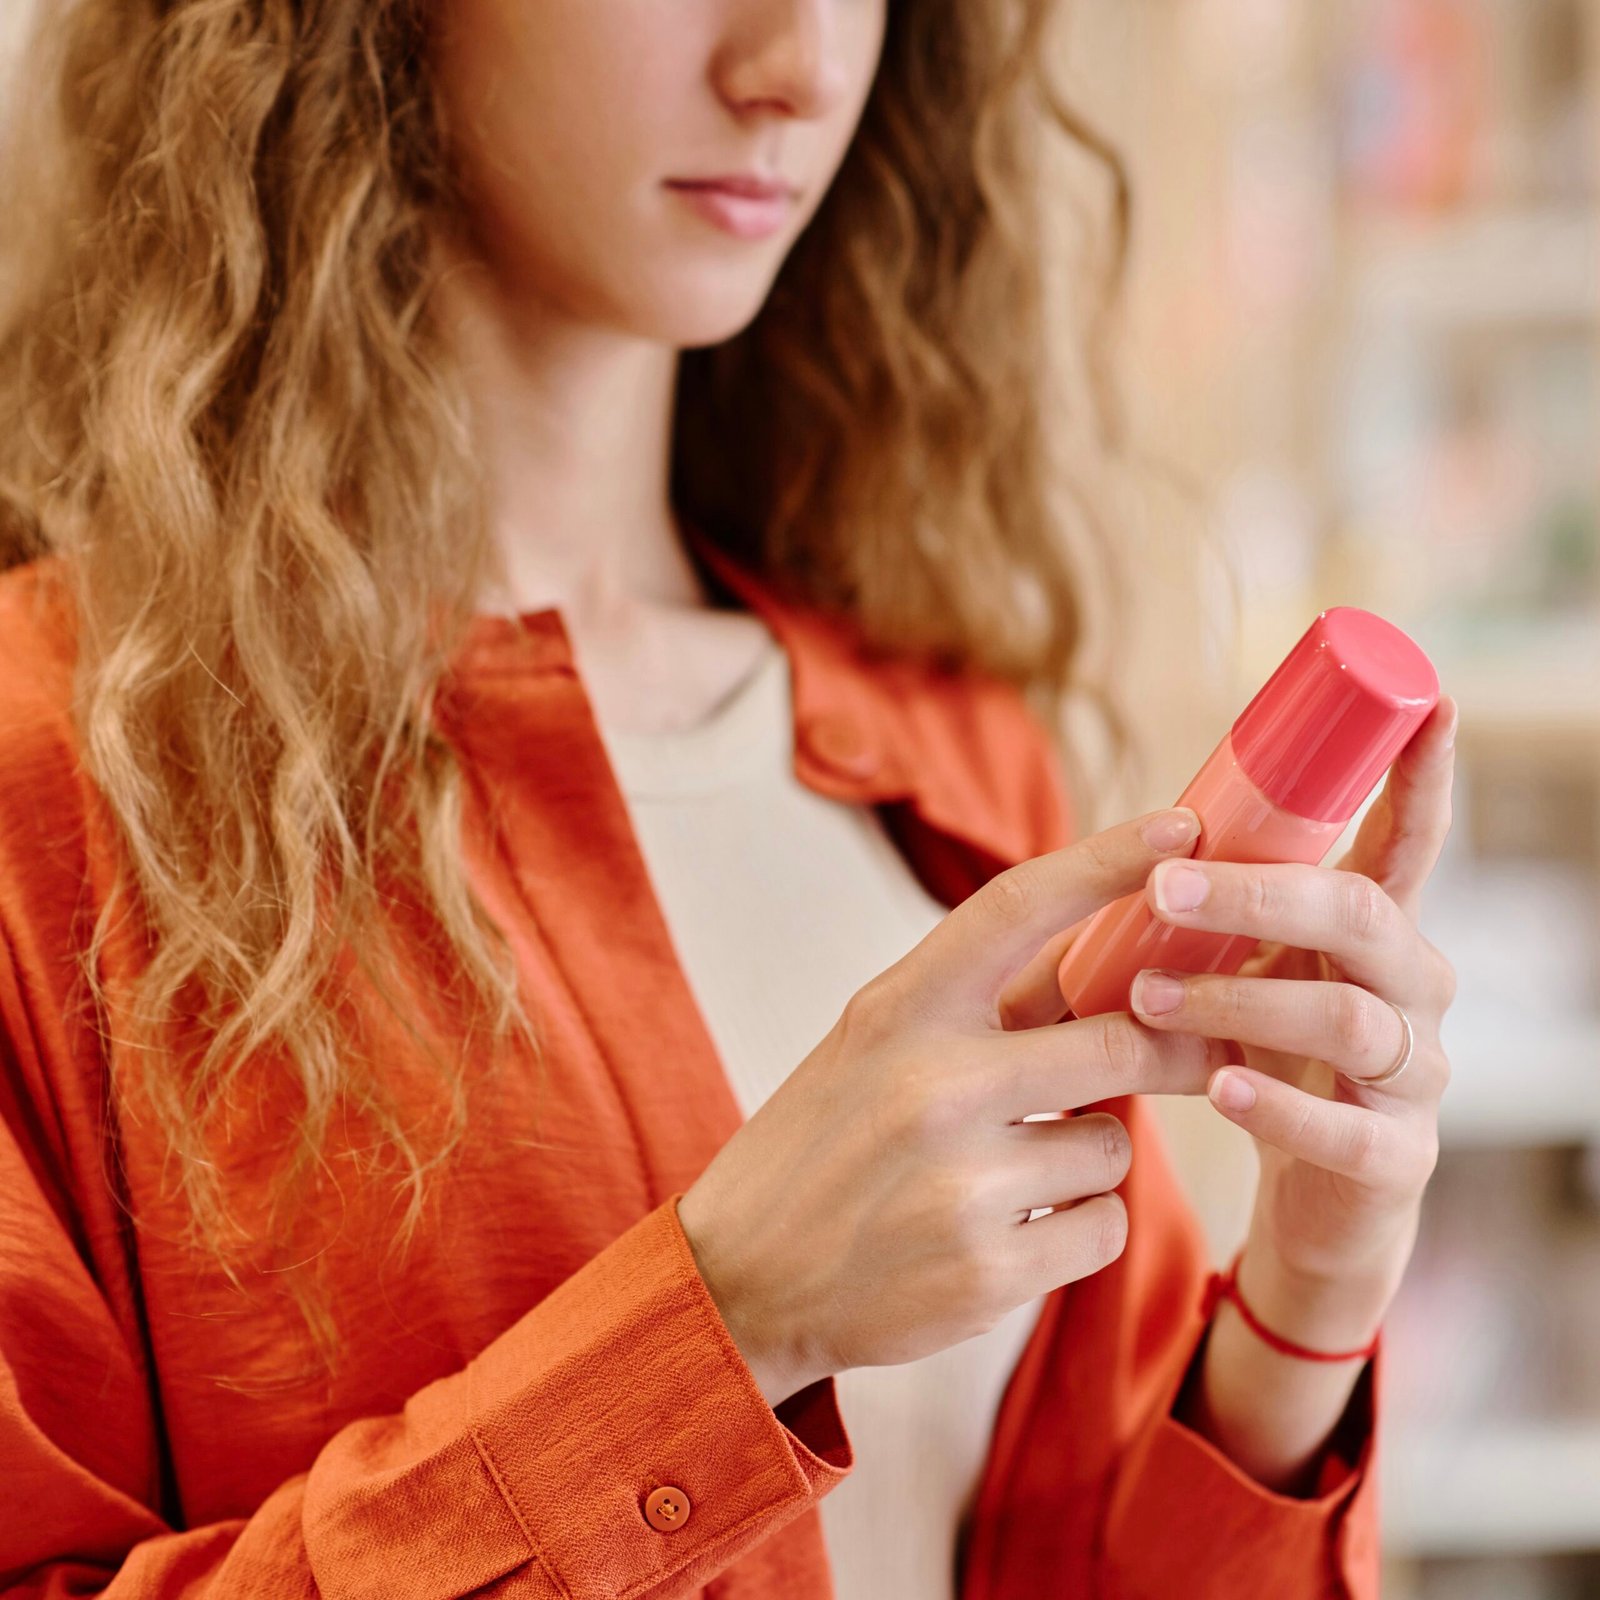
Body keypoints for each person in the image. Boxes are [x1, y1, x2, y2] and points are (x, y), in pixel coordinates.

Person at [0, 2, 1461, 1596]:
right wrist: (726, 1326)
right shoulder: (54, 783)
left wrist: (1302, 1310)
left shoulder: (953, 759)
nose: (799, 68)